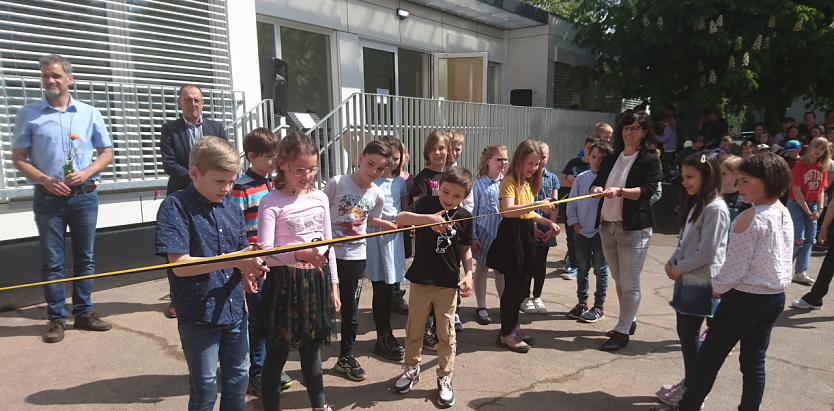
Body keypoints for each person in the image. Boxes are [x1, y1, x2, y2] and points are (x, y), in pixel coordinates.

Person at [654, 153, 793, 411]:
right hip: (773, 298)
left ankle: (688, 406)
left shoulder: (749, 217)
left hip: (743, 299)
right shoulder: (782, 211)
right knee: (753, 362)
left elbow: (734, 266)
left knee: (708, 360)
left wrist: (718, 289)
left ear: (768, 181)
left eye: (745, 181)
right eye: (738, 181)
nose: (738, 188)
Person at [154, 136, 269, 411]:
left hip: (234, 311)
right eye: (220, 181)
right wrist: (234, 260)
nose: (227, 188)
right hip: (198, 314)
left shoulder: (230, 205)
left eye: (231, 181)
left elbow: (240, 248)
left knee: (239, 380)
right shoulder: (175, 207)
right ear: (194, 173)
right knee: (205, 388)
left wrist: (249, 266)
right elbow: (180, 265)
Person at [11, 54, 114, 343]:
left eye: (55, 75)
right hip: (47, 198)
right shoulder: (28, 114)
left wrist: (86, 172)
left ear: (70, 79)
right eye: (45, 76)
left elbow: (106, 152)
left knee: (85, 258)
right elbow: (18, 158)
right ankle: (56, 319)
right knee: (52, 261)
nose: (49, 81)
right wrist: (44, 178)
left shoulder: (89, 113)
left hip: (84, 196)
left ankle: (83, 313)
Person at [253, 131, 341, 411]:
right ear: (282, 164)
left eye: (312, 168)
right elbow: (265, 252)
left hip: (316, 280)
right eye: (299, 169)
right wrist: (297, 253)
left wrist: (334, 285)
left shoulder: (319, 198)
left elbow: (330, 246)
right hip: (284, 282)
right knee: (277, 353)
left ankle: (319, 405)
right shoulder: (271, 201)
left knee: (312, 349)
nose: (307, 175)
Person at [392, 167, 475, 408]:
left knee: (446, 333)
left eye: (456, 196)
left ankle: (445, 377)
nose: (449, 199)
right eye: (446, 192)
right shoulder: (426, 203)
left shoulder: (465, 216)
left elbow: (466, 249)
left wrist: (468, 275)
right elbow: (400, 219)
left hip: (448, 284)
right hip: (420, 280)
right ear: (440, 186)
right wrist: (428, 220)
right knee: (414, 329)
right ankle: (411, 369)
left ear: (465, 196)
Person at [654, 152, 730, 408]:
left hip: (702, 280)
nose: (684, 181)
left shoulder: (715, 208)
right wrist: (673, 262)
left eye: (690, 177)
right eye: (683, 176)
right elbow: (686, 240)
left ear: (707, 177)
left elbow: (707, 252)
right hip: (688, 277)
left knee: (690, 334)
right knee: (685, 333)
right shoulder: (697, 204)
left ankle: (694, 389)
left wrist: (679, 268)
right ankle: (691, 382)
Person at [590, 111, 663, 352]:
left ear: (644, 133)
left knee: (630, 283)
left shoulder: (649, 160)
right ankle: (628, 321)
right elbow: (597, 181)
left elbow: (647, 191)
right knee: (619, 280)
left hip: (634, 230)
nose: (629, 132)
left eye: (635, 128)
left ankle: (622, 331)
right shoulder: (611, 158)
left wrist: (619, 191)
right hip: (607, 227)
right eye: (626, 128)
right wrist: (598, 187)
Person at [228, 128, 293, 397]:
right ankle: (257, 370)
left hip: (276, 262)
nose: (273, 162)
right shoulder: (241, 188)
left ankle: (271, 367)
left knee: (275, 315)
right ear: (251, 156)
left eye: (276, 156)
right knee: (258, 319)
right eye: (269, 157)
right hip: (256, 265)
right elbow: (236, 230)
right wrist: (248, 264)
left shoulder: (274, 184)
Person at [160, 84, 229, 318]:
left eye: (197, 100)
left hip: (211, 197)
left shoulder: (215, 127)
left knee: (211, 242)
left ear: (202, 103)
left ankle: (217, 288)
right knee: (180, 248)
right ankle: (175, 298)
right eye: (188, 100)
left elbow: (225, 155)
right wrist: (195, 181)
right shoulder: (170, 129)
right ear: (179, 103)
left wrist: (209, 183)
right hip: (182, 193)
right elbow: (169, 162)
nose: (193, 104)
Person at [322, 141, 389, 382]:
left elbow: (370, 221)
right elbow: (318, 213)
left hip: (355, 257)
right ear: (360, 158)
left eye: (380, 169)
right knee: (320, 305)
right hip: (326, 255)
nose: (373, 171)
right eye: (370, 164)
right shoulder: (337, 183)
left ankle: (345, 356)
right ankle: (310, 352)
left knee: (350, 310)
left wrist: (388, 224)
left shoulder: (377, 194)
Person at [487, 140, 559, 353]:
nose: (534, 168)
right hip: (511, 238)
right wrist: (538, 204)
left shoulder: (527, 183)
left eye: (537, 164)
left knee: (522, 288)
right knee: (512, 288)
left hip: (525, 235)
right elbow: (509, 211)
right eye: (530, 163)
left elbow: (526, 213)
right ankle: (505, 333)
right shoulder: (509, 181)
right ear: (519, 160)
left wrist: (546, 223)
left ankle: (514, 326)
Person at [364, 136, 408, 361]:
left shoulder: (399, 181)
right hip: (376, 238)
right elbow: (360, 215)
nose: (391, 162)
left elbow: (401, 206)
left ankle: (386, 332)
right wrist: (382, 223)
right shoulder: (371, 183)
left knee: (390, 286)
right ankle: (383, 335)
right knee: (380, 287)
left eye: (395, 158)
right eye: (387, 157)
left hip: (393, 239)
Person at [410, 130, 454, 351]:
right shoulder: (423, 178)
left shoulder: (451, 176)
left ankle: (441, 329)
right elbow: (418, 207)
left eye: (442, 148)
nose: (438, 153)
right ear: (427, 151)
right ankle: (426, 332)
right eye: (434, 148)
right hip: (428, 239)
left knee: (444, 285)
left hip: (449, 239)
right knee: (427, 285)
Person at [566, 138, 612, 323]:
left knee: (600, 270)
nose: (596, 161)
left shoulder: (611, 179)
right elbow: (572, 203)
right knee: (582, 268)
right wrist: (575, 224)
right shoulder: (581, 179)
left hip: (601, 234)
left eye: (601, 158)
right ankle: (582, 303)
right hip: (582, 232)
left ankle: (598, 306)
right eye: (593, 156)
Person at [472, 144, 508, 325]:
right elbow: (472, 213)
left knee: (501, 271)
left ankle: (504, 305)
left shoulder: (507, 183)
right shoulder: (478, 186)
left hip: (503, 237)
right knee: (481, 270)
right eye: (499, 159)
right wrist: (473, 236)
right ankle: (481, 305)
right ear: (488, 162)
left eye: (505, 160)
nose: (503, 163)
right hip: (484, 236)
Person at [522, 141, 560, 314]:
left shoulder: (552, 178)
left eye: (544, 157)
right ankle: (525, 296)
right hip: (530, 226)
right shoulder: (527, 177)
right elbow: (528, 205)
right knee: (528, 263)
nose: (540, 162)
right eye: (537, 159)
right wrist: (534, 227)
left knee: (540, 264)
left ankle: (537, 296)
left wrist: (552, 227)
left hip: (545, 228)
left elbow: (555, 203)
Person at [788, 137, 830, 286]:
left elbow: (821, 191)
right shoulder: (799, 166)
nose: (818, 151)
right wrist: (807, 210)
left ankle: (800, 272)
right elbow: (797, 191)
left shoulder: (822, 167)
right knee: (797, 239)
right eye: (816, 147)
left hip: (813, 205)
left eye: (822, 149)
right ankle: (785, 268)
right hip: (796, 203)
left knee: (809, 240)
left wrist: (819, 209)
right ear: (810, 147)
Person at [560, 137, 595, 279]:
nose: (589, 151)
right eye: (588, 147)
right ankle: (572, 263)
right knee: (571, 237)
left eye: (593, 149)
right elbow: (561, 180)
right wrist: (575, 182)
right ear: (583, 147)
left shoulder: (594, 167)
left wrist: (572, 179)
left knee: (584, 237)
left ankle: (581, 264)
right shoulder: (574, 162)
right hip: (570, 206)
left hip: (587, 209)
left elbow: (589, 188)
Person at [446, 129, 474, 213]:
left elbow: (469, 204)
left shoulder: (462, 174)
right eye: (450, 149)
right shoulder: (436, 171)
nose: (454, 153)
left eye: (457, 149)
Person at [720, 156, 751, 223]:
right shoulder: (713, 196)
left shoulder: (744, 199)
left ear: (736, 175)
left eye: (724, 174)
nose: (719, 176)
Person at [657, 115, 678, 180]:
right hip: (673, 148)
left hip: (668, 148)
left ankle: (668, 176)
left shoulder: (667, 128)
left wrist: (656, 137)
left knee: (665, 162)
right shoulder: (673, 128)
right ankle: (673, 174)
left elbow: (665, 138)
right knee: (671, 162)